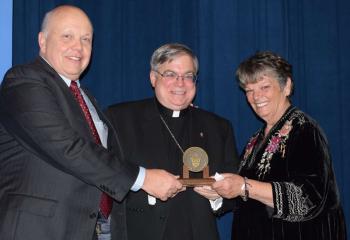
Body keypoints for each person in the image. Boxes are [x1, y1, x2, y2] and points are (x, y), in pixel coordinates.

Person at [0, 5, 183, 240]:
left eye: (86, 39)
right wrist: (144, 178)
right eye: (67, 36)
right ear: (42, 41)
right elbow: (68, 148)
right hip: (38, 230)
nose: (78, 47)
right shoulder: (24, 81)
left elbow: (105, 156)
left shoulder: (86, 97)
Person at [197, 51, 347, 239]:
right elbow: (247, 199)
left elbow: (307, 198)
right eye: (249, 90)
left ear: (287, 86)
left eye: (264, 87)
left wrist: (244, 186)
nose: (256, 96)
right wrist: (218, 194)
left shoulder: (305, 130)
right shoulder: (254, 140)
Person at [105, 43, 239, 240]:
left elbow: (234, 194)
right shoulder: (120, 119)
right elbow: (104, 172)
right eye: (170, 74)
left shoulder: (218, 127)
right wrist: (142, 181)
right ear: (153, 78)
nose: (180, 83)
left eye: (188, 76)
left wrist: (218, 198)